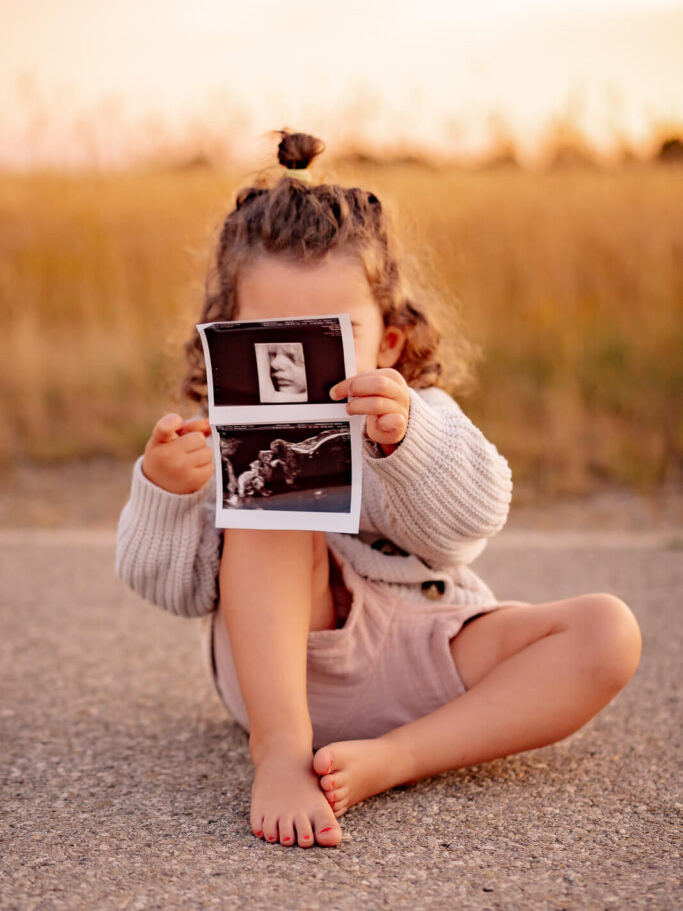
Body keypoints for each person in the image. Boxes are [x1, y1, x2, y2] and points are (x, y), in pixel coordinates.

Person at [116, 130, 642, 850]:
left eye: (330, 334)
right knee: (277, 491)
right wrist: (164, 494)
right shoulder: (216, 443)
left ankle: (397, 757)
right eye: (272, 334)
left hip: (427, 656)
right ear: (227, 338)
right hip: (289, 668)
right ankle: (280, 751)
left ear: (387, 343)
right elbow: (169, 589)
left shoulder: (416, 415)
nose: (297, 362)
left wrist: (402, 443)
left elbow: (466, 529)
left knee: (606, 631)